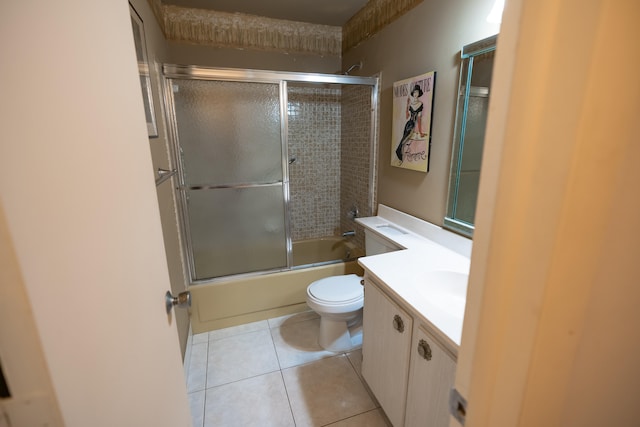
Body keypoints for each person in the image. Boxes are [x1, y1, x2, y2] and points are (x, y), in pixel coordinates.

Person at [395, 84, 425, 163]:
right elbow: (407, 116)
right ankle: (400, 154)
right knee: (403, 139)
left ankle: (399, 154)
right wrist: (407, 105)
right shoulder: (411, 105)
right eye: (414, 92)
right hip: (408, 124)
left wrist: (420, 132)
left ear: (419, 94)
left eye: (417, 92)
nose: (415, 94)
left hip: (412, 125)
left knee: (404, 141)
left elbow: (419, 119)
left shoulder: (421, 104)